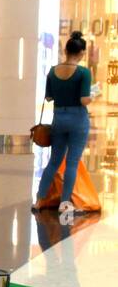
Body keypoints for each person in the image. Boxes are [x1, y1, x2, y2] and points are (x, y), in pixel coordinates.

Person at [34, 31, 94, 213]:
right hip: (78, 119)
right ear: (82, 53)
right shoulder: (83, 73)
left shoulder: (53, 71)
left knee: (54, 161)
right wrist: (93, 96)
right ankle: (64, 203)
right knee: (72, 162)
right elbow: (84, 100)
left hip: (59, 119)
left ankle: (39, 200)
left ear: (66, 50)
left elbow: (49, 97)